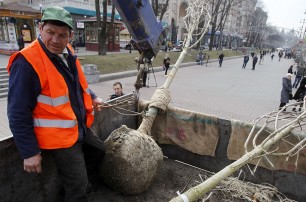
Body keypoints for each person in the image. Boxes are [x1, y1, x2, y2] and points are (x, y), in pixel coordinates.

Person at [7, 6, 105, 201]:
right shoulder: (27, 63)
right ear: (41, 28)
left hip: (78, 126)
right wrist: (29, 152)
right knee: (77, 187)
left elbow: (75, 83)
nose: (55, 40)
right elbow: (17, 112)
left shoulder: (66, 50)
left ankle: (80, 188)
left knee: (99, 151)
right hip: (59, 138)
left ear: (70, 35)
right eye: (50, 33)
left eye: (62, 35)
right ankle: (78, 191)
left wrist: (92, 96)